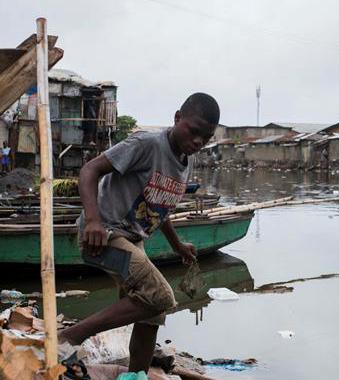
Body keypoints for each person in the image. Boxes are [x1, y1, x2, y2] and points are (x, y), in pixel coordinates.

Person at [59, 93, 219, 373]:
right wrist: (94, 220)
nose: (197, 141)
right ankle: (71, 336)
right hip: (103, 234)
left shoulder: (186, 160)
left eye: (205, 138)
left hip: (133, 239)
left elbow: (159, 208)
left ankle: (135, 377)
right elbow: (89, 170)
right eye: (193, 131)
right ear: (177, 118)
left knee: (153, 314)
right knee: (160, 295)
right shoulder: (147, 144)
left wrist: (177, 245)